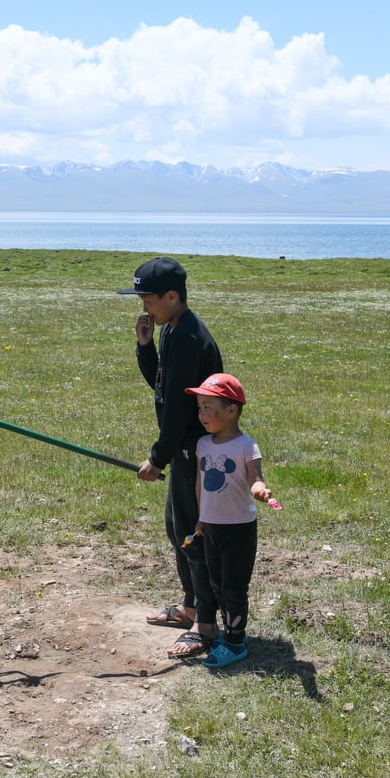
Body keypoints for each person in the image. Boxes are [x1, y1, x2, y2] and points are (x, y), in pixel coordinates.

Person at [117, 257, 224, 658]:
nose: (144, 307)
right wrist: (145, 347)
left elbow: (180, 409)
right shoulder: (170, 331)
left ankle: (206, 624)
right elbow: (162, 386)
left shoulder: (187, 337)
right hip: (183, 448)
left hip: (195, 450)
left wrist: (157, 458)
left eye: (148, 300)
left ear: (172, 296)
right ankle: (190, 604)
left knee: (193, 534)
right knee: (175, 527)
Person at [185, 373, 271, 668]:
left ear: (231, 410)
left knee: (234, 586)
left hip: (238, 529)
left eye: (208, 407)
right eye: (199, 407)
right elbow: (200, 484)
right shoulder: (203, 444)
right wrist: (201, 517)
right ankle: (233, 633)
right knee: (218, 584)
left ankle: (235, 642)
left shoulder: (247, 446)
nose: (201, 414)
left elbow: (255, 478)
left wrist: (259, 488)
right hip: (212, 525)